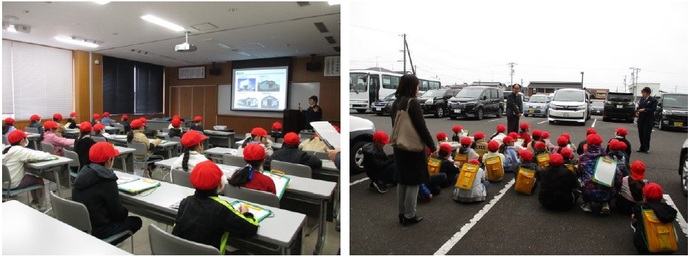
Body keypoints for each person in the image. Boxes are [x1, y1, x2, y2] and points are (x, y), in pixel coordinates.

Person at [172, 160, 259, 254]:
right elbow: (251, 228)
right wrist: (246, 213)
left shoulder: (185, 202)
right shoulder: (221, 208)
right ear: (220, 184)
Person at [72, 142, 142, 244]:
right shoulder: (107, 180)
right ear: (109, 161)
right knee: (136, 221)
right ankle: (105, 246)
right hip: (99, 231)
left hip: (82, 227)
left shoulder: (83, 172)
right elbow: (118, 214)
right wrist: (126, 210)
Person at [390, 74, 437, 226]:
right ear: (412, 86)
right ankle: (410, 215)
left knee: (402, 180)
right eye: (417, 85)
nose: (418, 88)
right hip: (413, 147)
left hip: (399, 146)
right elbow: (421, 127)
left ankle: (401, 213)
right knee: (414, 181)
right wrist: (432, 146)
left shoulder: (396, 102)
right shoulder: (412, 103)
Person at [2, 130, 53, 210]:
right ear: (22, 140)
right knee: (41, 180)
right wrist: (48, 154)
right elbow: (37, 156)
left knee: (31, 177)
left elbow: (28, 153)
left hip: (3, 183)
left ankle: (35, 202)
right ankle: (41, 205)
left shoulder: (8, 150)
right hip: (12, 184)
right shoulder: (19, 151)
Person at [578, 134, 623, 215]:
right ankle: (605, 203)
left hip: (589, 191)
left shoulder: (582, 158)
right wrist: (618, 189)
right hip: (607, 192)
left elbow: (579, 172)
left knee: (584, 179)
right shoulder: (608, 158)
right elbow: (619, 176)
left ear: (588, 145)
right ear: (600, 144)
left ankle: (587, 204)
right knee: (608, 181)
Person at [631, 183, 677, 254]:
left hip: (645, 249)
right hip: (669, 249)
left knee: (635, 218)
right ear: (661, 196)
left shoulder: (640, 208)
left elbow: (635, 217)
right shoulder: (668, 210)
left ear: (644, 196)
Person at [636, 87, 658, 154]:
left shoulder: (653, 100)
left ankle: (646, 148)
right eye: (642, 92)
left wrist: (644, 110)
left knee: (646, 134)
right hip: (641, 119)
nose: (642, 94)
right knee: (641, 133)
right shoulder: (642, 99)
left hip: (648, 120)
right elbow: (639, 106)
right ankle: (641, 147)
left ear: (647, 93)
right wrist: (637, 111)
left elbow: (653, 109)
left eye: (643, 92)